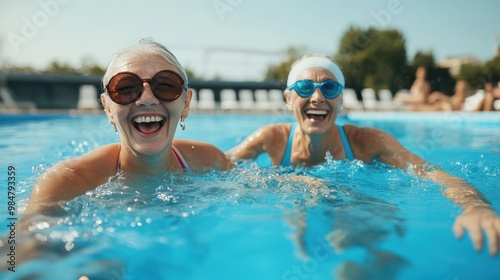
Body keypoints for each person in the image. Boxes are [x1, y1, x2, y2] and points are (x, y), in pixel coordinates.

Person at [226, 54, 500, 256]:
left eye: (330, 88)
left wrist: (475, 206)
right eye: (305, 88)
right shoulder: (272, 139)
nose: (318, 97)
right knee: (303, 242)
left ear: (341, 100)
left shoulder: (368, 141)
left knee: (360, 244)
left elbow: (430, 173)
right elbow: (220, 166)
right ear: (288, 99)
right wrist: (289, 183)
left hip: (359, 204)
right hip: (296, 202)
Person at [24, 38, 233, 216]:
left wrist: (260, 139)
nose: (147, 99)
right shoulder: (67, 183)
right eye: (125, 88)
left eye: (166, 85)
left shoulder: (208, 159)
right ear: (107, 108)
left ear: (186, 103)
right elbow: (22, 252)